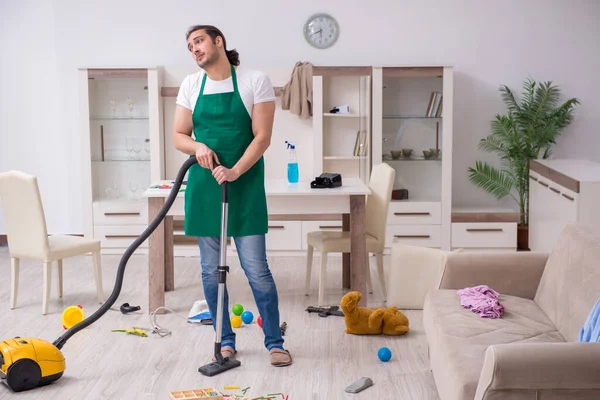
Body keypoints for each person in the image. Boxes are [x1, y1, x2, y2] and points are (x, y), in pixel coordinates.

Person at [173, 24, 292, 367]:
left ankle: (274, 341)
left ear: (218, 42)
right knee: (211, 272)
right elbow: (179, 135)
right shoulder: (191, 85)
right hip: (205, 185)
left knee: (256, 269)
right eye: (190, 46)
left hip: (245, 183)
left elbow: (262, 137)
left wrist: (236, 170)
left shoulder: (255, 80)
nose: (194, 49)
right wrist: (198, 147)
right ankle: (225, 340)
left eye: (199, 41)